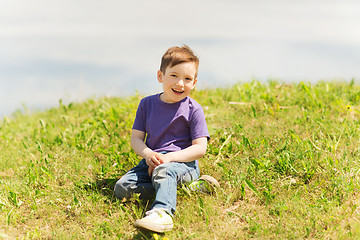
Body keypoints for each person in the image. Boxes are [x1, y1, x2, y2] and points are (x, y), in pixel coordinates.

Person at [114, 45, 212, 233]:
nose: (180, 83)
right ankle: (186, 189)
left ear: (195, 83)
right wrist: (149, 154)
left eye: (187, 79)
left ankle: (162, 213)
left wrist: (168, 159)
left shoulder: (194, 109)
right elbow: (136, 139)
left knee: (164, 172)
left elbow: (200, 148)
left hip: (182, 163)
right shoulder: (146, 104)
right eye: (174, 76)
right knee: (122, 188)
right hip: (152, 160)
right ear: (160, 76)